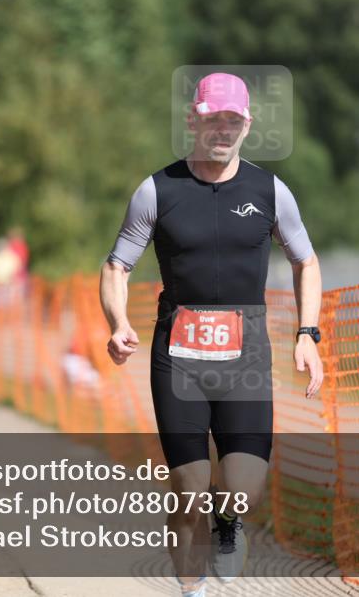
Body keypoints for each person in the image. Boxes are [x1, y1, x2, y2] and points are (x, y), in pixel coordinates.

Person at [100, 73, 324, 596]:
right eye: (212, 119)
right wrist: (118, 323)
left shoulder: (270, 191)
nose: (222, 130)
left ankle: (230, 524)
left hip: (246, 360)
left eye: (233, 121)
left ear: (247, 126)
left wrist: (307, 334)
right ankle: (192, 589)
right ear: (192, 121)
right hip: (178, 358)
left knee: (242, 489)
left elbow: (306, 262)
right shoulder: (157, 190)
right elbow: (116, 267)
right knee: (188, 487)